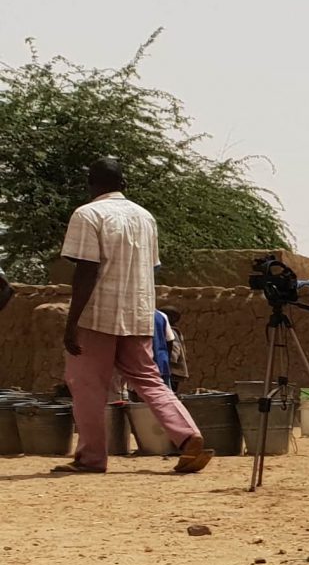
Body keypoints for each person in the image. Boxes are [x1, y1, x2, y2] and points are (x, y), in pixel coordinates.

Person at [54, 157, 210, 474]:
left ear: (91, 184)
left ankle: (91, 458)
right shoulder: (145, 217)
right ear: (124, 184)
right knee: (150, 381)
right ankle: (189, 437)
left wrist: (72, 323)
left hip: (98, 315)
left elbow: (86, 270)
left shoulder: (88, 214)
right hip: (138, 313)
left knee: (86, 385)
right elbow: (150, 267)